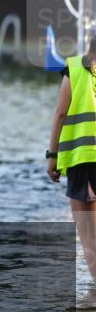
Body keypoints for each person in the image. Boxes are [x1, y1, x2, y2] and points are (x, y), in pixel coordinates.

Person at [47, 35, 96, 282]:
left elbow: (60, 114)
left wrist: (52, 156)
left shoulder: (74, 68)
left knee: (89, 237)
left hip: (81, 160)